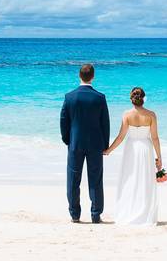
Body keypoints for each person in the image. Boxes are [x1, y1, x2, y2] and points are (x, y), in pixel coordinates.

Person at [60, 63, 111, 223]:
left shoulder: (69, 97)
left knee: (73, 178)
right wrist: (105, 144)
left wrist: (67, 139)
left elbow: (63, 121)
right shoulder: (100, 97)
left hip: (75, 143)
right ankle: (96, 214)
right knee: (95, 179)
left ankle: (75, 215)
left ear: (79, 76)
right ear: (93, 77)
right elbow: (105, 123)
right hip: (96, 143)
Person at [103, 86, 161, 226]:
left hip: (131, 149)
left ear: (132, 99)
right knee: (145, 181)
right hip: (146, 149)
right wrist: (159, 158)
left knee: (129, 180)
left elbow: (121, 137)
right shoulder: (151, 115)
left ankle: (129, 211)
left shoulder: (126, 114)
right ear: (143, 99)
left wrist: (109, 150)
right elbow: (155, 138)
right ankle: (144, 213)